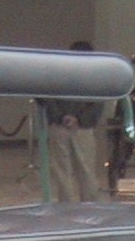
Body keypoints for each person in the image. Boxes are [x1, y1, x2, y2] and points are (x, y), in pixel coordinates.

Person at [39, 40, 104, 202]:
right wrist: (80, 119)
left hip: (59, 126)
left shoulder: (56, 74)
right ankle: (90, 208)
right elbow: (98, 103)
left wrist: (60, 117)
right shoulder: (96, 77)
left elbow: (44, 96)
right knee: (86, 170)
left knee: (62, 173)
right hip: (83, 128)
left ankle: (66, 208)